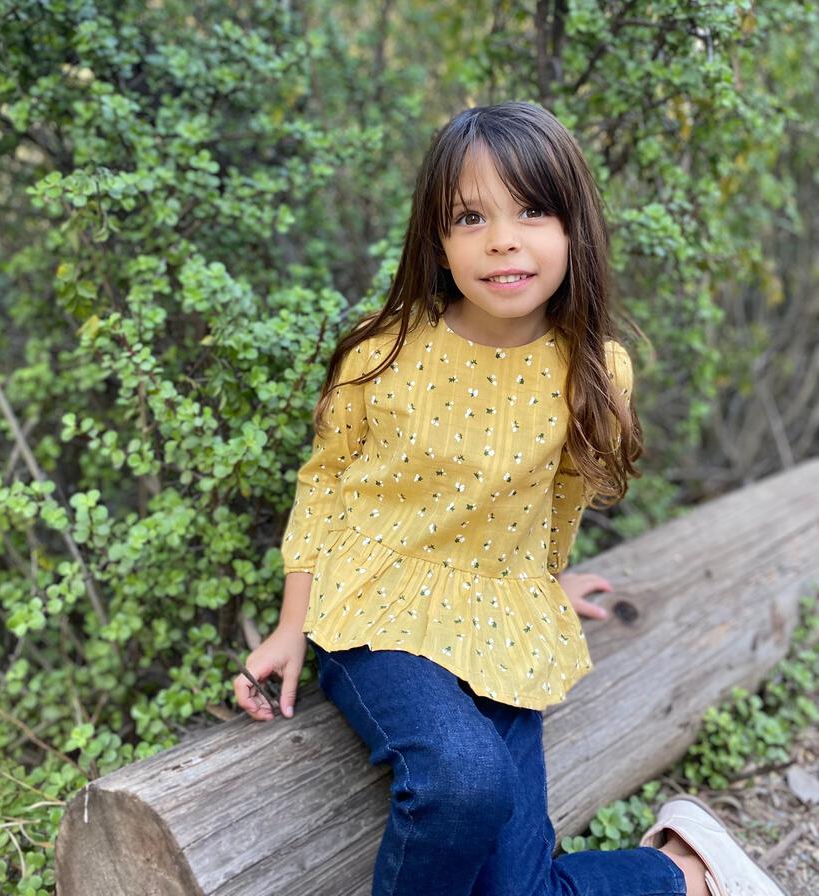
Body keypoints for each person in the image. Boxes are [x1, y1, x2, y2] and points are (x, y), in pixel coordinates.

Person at [234, 103, 788, 896]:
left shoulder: (593, 370)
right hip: (374, 605)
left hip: (501, 614)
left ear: (574, 230)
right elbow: (325, 483)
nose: (503, 238)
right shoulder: (384, 351)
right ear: (439, 239)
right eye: (470, 216)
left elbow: (556, 500)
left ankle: (682, 873)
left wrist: (542, 579)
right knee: (464, 782)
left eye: (532, 210)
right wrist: (292, 625)